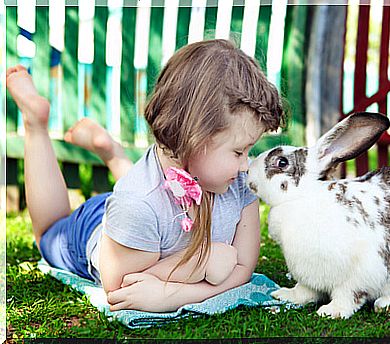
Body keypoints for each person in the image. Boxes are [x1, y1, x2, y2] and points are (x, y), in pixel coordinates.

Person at [6, 39, 285, 313]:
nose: (246, 164)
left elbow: (243, 268)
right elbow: (120, 288)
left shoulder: (239, 183)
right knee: (48, 232)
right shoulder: (137, 203)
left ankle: (112, 153)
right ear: (194, 138)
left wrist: (171, 295)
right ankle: (36, 123)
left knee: (151, 209)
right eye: (238, 151)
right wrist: (201, 262)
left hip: (143, 227)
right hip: (96, 234)